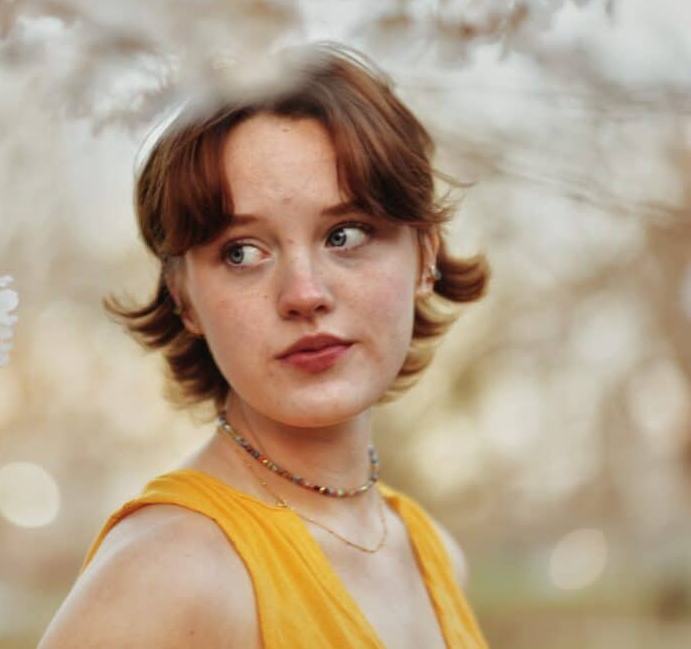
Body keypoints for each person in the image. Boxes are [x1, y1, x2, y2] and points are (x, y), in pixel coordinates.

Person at [38, 41, 491, 648]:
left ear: (425, 255)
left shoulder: (432, 553)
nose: (304, 293)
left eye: (346, 234)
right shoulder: (168, 574)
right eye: (242, 252)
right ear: (184, 296)